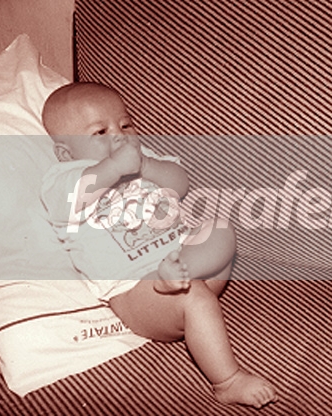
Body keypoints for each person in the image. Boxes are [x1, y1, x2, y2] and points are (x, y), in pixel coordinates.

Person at [40, 82, 278, 408]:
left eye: (126, 125)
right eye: (100, 132)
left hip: (186, 261)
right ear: (66, 153)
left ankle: (182, 272)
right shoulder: (65, 177)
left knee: (219, 228)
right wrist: (113, 168)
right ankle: (227, 381)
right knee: (194, 297)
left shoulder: (144, 158)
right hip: (136, 291)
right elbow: (68, 203)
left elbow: (180, 184)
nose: (119, 136)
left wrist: (146, 166)